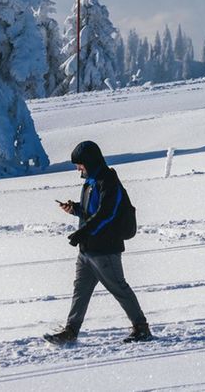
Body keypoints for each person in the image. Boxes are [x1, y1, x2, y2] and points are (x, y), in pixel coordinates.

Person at [44, 140, 153, 344]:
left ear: (90, 162)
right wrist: (74, 208)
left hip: (105, 249)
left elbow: (106, 214)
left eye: (80, 164)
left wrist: (82, 233)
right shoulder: (90, 182)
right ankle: (71, 331)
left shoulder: (108, 182)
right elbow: (91, 212)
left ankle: (141, 328)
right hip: (87, 251)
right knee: (80, 290)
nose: (78, 169)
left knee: (119, 288)